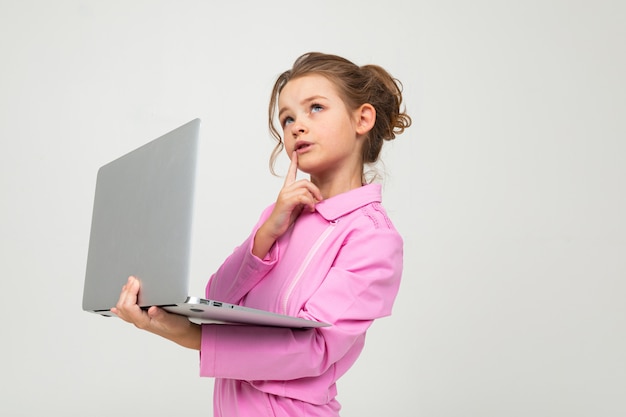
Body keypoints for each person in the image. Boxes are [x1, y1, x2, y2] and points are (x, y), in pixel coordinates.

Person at [112, 51, 412, 416]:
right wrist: (266, 234)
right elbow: (219, 297)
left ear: (362, 118)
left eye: (315, 107)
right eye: (287, 119)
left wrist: (188, 335)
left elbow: (314, 349)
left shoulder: (372, 238)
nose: (297, 126)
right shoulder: (281, 216)